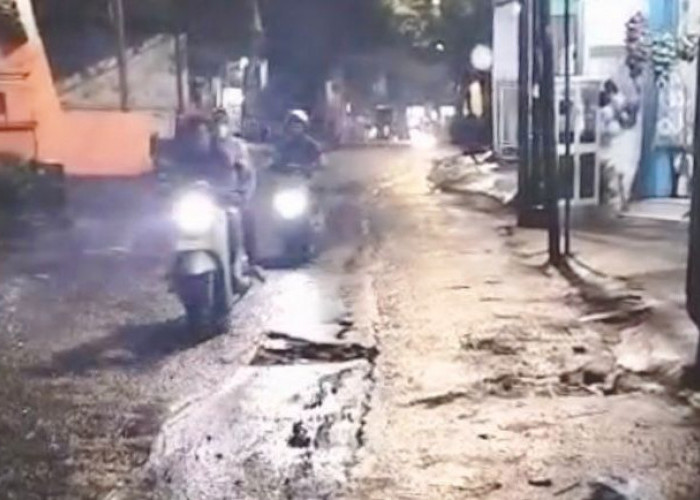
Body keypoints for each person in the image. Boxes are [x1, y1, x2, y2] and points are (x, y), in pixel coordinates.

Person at [275, 109, 323, 174]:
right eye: (293, 127)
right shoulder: (283, 144)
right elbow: (277, 161)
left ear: (304, 128)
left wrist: (308, 168)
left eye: (298, 127)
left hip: (304, 176)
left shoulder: (311, 144)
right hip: (286, 175)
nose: (295, 129)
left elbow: (319, 163)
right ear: (289, 127)